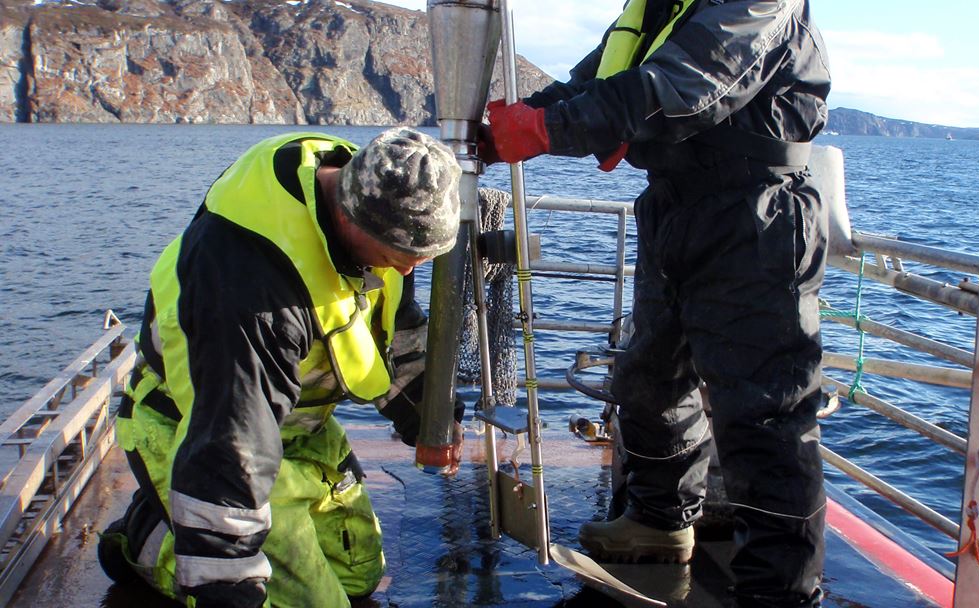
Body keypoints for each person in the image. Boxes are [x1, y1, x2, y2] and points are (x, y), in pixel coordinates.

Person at [483, 0, 831, 605]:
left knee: (765, 413)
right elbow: (593, 83)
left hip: (756, 214)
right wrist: (508, 128)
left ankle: (780, 591)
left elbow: (682, 88)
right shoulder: (656, 7)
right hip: (674, 203)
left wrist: (543, 131)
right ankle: (660, 518)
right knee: (651, 377)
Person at [97, 127, 464, 608]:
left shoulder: (374, 202)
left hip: (299, 422)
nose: (406, 271)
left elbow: (393, 326)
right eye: (397, 257)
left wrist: (427, 417)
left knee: (358, 577)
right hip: (197, 425)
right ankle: (153, 540)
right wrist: (228, 583)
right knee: (295, 599)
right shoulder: (249, 288)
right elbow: (232, 444)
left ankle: (175, 518)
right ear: (351, 218)